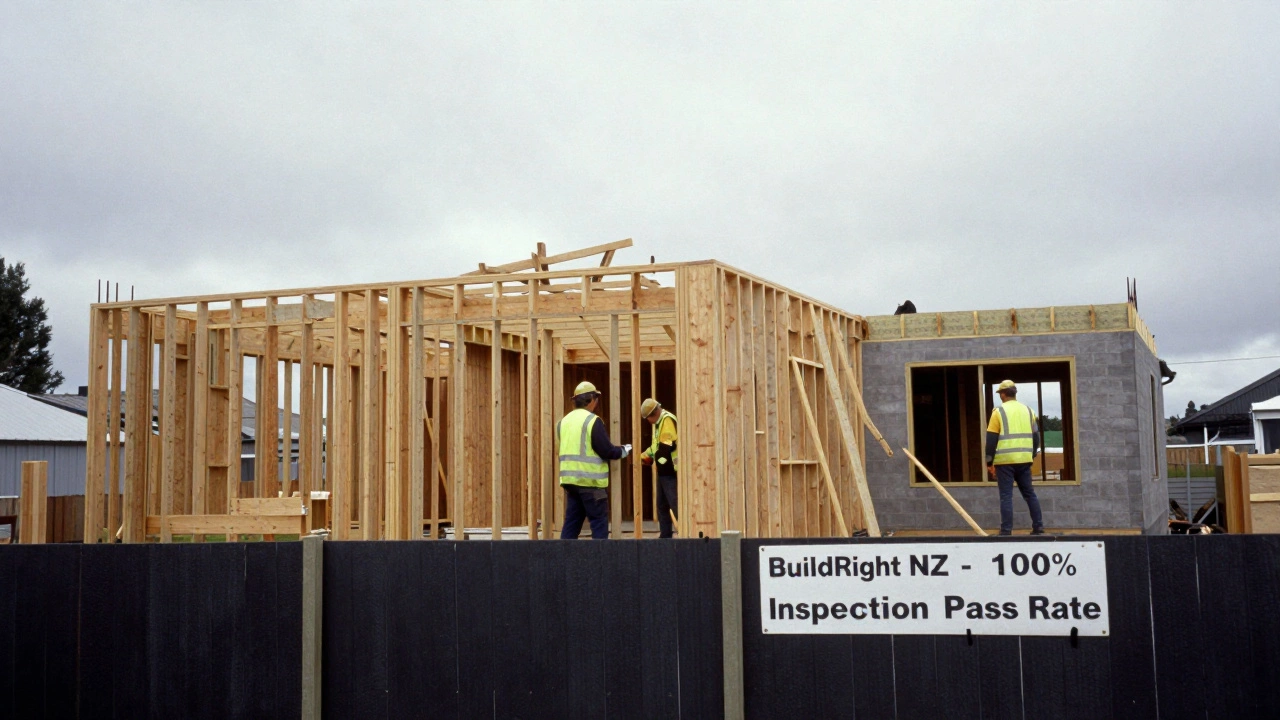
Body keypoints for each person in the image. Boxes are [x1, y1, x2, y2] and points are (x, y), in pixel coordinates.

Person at [558, 380, 631, 539]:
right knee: (598, 523)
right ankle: (600, 562)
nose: (597, 402)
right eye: (596, 399)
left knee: (571, 524)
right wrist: (623, 451)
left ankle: (562, 560)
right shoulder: (592, 421)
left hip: (571, 482)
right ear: (591, 400)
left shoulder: (564, 422)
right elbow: (606, 450)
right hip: (590, 483)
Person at [986, 380, 1045, 536]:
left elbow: (991, 439)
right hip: (1024, 460)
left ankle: (1006, 530)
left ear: (1004, 394)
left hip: (1005, 461)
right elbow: (1036, 437)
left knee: (1006, 496)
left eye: (1000, 394)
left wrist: (989, 462)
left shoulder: (998, 412)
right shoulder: (1029, 411)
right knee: (1029, 494)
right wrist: (1031, 455)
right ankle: (1038, 527)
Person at [639, 398, 679, 538]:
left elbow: (665, 449)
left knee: (675, 505)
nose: (648, 421)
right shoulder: (659, 424)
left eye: (647, 418)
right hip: (663, 472)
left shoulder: (667, 420)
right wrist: (643, 456)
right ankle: (665, 536)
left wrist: (652, 460)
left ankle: (685, 533)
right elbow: (656, 447)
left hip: (670, 471)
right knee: (662, 506)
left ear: (653, 414)